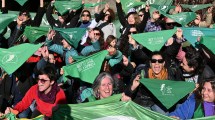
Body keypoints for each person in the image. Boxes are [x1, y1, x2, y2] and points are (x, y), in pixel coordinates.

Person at [2, 66, 67, 119]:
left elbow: (62, 114)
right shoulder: (35, 88)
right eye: (38, 79)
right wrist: (12, 110)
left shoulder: (59, 94)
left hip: (53, 116)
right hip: (39, 112)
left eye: (43, 80)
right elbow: (24, 103)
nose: (39, 83)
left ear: (52, 82)